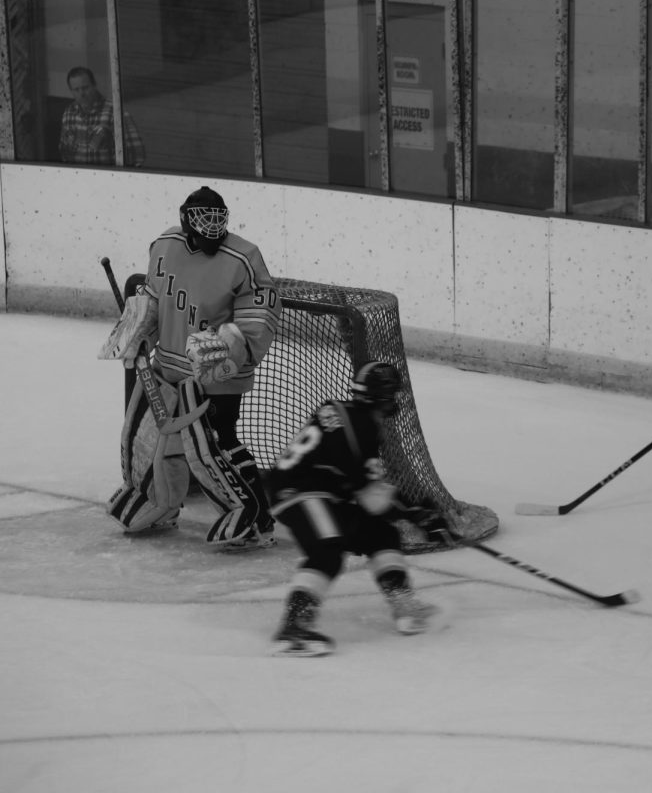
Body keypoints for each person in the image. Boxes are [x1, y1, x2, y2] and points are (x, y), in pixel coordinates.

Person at [105, 185, 281, 550]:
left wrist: (231, 349)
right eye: (203, 219)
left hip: (217, 377)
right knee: (148, 439)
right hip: (166, 368)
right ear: (186, 219)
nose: (212, 227)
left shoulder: (243, 257)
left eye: (219, 219)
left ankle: (255, 517)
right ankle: (158, 505)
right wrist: (139, 329)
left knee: (216, 446)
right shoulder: (164, 245)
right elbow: (154, 296)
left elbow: (259, 315)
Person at [265, 361, 454, 657]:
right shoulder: (363, 427)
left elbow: (364, 487)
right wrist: (420, 515)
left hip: (323, 491)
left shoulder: (348, 415)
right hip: (298, 491)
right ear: (382, 398)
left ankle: (404, 606)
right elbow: (373, 495)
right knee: (328, 549)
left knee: (380, 532)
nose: (396, 402)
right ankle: (293, 629)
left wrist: (412, 511)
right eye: (392, 395)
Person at [58, 66, 145, 167]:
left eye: (85, 88)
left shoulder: (116, 113)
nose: (81, 93)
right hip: (78, 177)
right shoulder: (69, 114)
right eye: (76, 90)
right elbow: (64, 151)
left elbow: (137, 156)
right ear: (71, 91)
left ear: (94, 85)